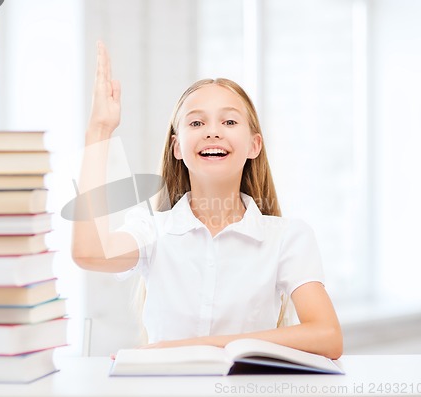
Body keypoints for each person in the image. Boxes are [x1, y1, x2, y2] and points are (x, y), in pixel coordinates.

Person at [72, 41, 343, 360]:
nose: (212, 132)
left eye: (229, 122)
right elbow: (89, 253)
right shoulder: (152, 231)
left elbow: (327, 336)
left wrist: (189, 348)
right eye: (196, 123)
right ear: (177, 147)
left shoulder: (288, 238)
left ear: (254, 145)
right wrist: (99, 130)